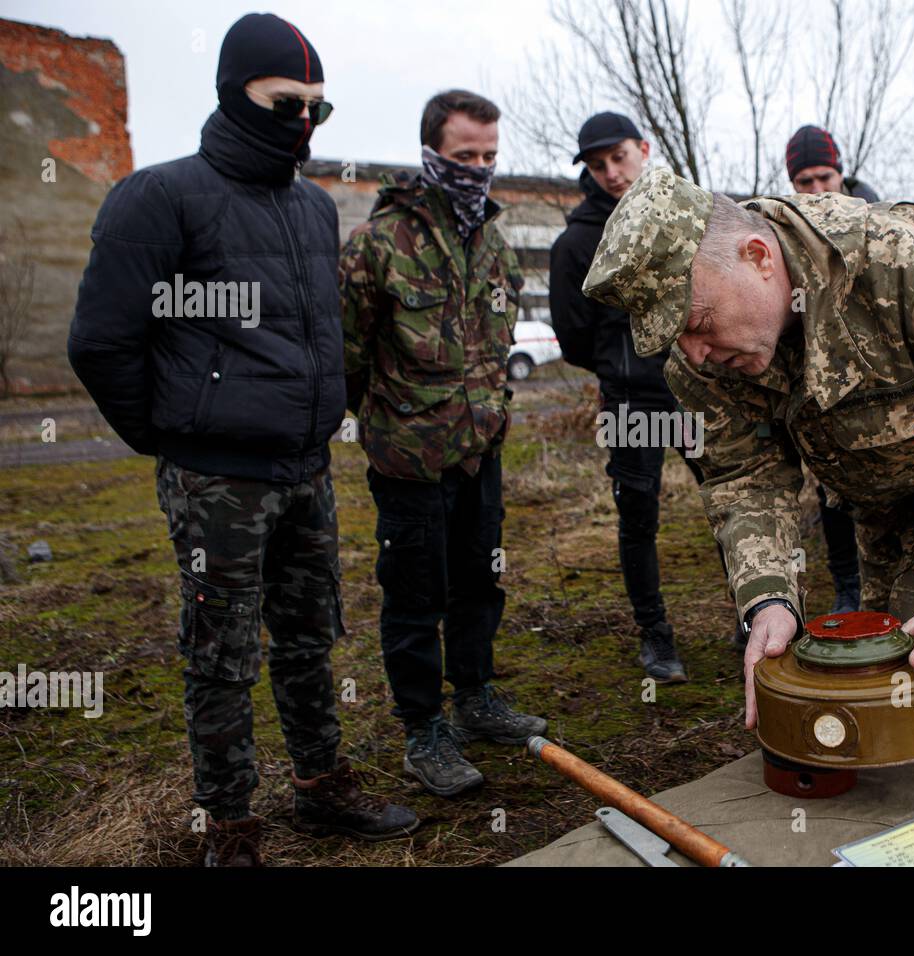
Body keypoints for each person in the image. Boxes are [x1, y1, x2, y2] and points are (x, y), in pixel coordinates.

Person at [67, 13, 417, 866]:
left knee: (309, 637)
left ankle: (321, 785)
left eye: (319, 110)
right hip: (216, 480)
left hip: (306, 470)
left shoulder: (311, 207)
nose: (303, 122)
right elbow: (101, 341)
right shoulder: (160, 197)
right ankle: (227, 827)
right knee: (220, 656)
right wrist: (173, 434)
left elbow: (320, 334)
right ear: (235, 94)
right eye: (287, 102)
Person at [582, 168, 914, 731]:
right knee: (888, 711)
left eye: (698, 322)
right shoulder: (701, 357)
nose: (694, 353)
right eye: (675, 337)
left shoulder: (903, 266)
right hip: (879, 523)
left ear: (759, 257)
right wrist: (769, 599)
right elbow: (744, 474)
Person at [340, 89, 546, 799]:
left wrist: (489, 415)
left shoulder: (492, 241)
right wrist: (387, 423)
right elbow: (348, 356)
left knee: (479, 582)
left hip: (480, 451)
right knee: (413, 596)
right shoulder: (379, 244)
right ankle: (424, 731)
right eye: (465, 157)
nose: (479, 170)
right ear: (431, 153)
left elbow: (497, 343)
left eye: (490, 156)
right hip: (408, 461)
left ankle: (478, 696)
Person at [549, 111, 733, 681]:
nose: (611, 172)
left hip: (699, 390)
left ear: (644, 148)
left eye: (619, 157)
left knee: (731, 500)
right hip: (633, 402)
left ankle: (757, 616)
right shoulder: (577, 242)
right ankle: (656, 636)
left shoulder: (687, 216)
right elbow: (574, 335)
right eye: (598, 164)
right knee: (638, 514)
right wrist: (619, 366)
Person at [785, 125, 881, 613]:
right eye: (804, 181)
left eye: (824, 176)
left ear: (841, 173)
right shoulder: (786, 241)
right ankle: (847, 586)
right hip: (822, 385)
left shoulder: (880, 223)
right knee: (832, 489)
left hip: (880, 384)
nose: (818, 190)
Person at [785, 124, 881, 200]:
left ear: (840, 176)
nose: (817, 191)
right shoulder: (778, 221)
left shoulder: (881, 218)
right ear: (794, 185)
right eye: (805, 182)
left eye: (824, 178)